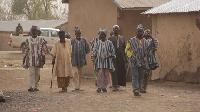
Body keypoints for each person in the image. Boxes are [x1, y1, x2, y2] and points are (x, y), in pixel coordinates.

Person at [125, 24, 149, 96]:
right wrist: (131, 55)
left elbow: (147, 50)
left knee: (141, 76)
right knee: (135, 75)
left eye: (141, 31)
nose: (140, 33)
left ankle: (138, 89)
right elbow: (127, 50)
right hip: (134, 61)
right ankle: (135, 89)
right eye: (138, 31)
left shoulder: (145, 42)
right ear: (136, 32)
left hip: (142, 62)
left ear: (143, 32)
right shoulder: (131, 41)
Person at [23, 26, 47, 92]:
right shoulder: (28, 39)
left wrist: (44, 58)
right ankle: (31, 87)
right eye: (32, 30)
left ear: (37, 31)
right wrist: (24, 58)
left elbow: (44, 49)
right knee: (31, 73)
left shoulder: (41, 39)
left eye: (35, 30)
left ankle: (36, 86)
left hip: (38, 59)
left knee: (37, 74)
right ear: (31, 31)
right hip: (30, 59)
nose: (33, 32)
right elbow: (25, 50)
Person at [92, 28, 116, 93]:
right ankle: (99, 87)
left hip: (107, 62)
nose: (100, 36)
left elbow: (113, 51)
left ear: (105, 36)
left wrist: (110, 55)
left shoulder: (109, 43)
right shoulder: (97, 43)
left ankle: (104, 87)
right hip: (99, 61)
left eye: (101, 34)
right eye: (100, 34)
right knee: (100, 74)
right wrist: (93, 56)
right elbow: (95, 51)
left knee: (106, 74)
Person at [108, 25, 127, 91]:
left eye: (117, 29)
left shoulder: (122, 38)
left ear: (119, 30)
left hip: (121, 57)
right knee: (114, 71)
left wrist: (125, 57)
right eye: (115, 29)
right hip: (113, 58)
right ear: (113, 30)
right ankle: (114, 85)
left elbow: (124, 48)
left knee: (120, 70)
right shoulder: (110, 39)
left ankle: (118, 85)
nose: (116, 30)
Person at [71, 27, 90, 91]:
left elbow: (87, 49)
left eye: (79, 33)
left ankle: (79, 86)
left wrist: (83, 54)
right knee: (74, 73)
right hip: (74, 59)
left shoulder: (84, 40)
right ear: (75, 33)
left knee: (80, 73)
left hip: (81, 59)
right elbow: (70, 49)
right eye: (77, 33)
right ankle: (75, 86)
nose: (78, 34)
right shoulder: (72, 41)